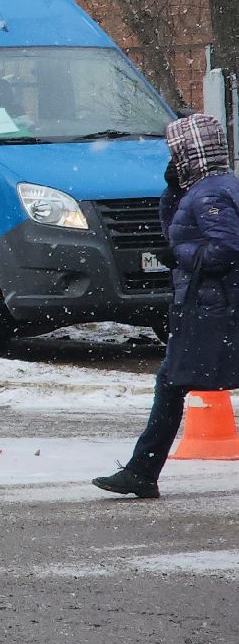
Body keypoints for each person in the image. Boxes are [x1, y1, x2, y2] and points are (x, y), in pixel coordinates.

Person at [95, 113, 239, 499]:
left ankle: (142, 471)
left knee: (172, 383)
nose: (173, 160)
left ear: (193, 152)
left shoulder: (210, 193)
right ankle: (141, 470)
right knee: (172, 383)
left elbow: (225, 249)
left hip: (213, 310)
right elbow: (181, 226)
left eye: (177, 154)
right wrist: (173, 192)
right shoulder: (210, 188)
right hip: (211, 307)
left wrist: (180, 255)